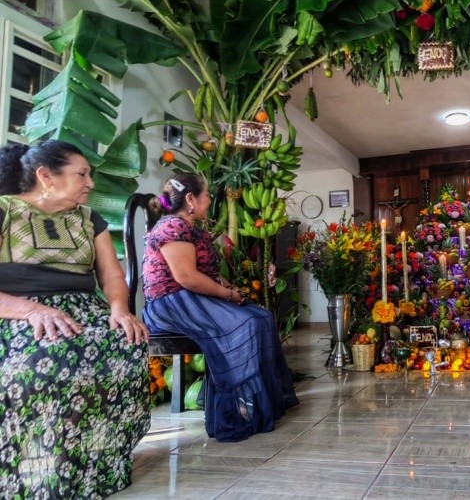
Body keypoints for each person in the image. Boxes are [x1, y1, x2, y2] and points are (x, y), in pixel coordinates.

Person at [0, 140, 150, 498]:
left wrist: (119, 309)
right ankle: (37, 471)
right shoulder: (5, 210)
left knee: (123, 344)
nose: (91, 183)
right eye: (82, 174)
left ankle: (96, 465)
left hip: (84, 309)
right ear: (45, 176)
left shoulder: (88, 219)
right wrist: (34, 310)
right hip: (16, 312)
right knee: (47, 359)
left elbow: (112, 276)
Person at [141, 173, 299, 442]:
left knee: (261, 317)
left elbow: (209, 273)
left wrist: (230, 289)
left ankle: (262, 406)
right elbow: (186, 277)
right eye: (207, 195)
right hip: (173, 303)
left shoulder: (192, 229)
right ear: (191, 199)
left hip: (194, 298)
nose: (211, 200)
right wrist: (227, 295)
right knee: (245, 324)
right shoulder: (171, 228)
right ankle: (236, 413)